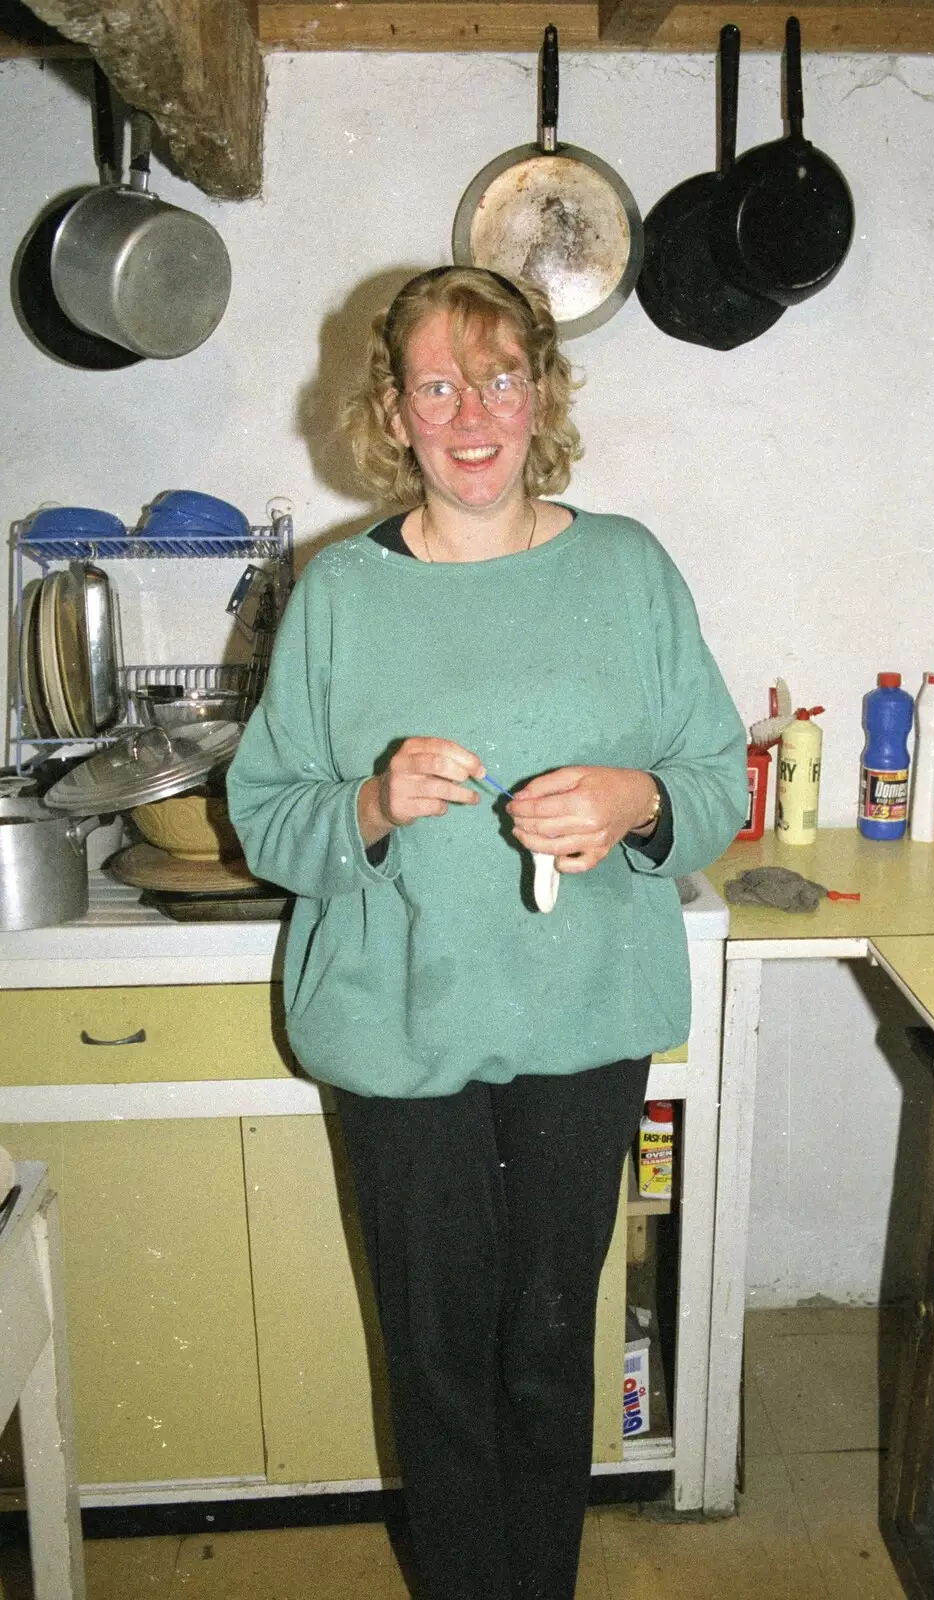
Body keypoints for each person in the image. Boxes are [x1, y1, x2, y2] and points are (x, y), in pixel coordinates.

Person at [226, 265, 747, 1600]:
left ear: (541, 395)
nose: (470, 413)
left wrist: (637, 801)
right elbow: (269, 819)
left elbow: (712, 787)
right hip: (400, 1034)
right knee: (441, 1359)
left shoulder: (627, 568)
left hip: (583, 1026)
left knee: (545, 1343)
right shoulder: (340, 594)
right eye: (437, 384)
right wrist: (369, 803)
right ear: (393, 410)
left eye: (498, 379)